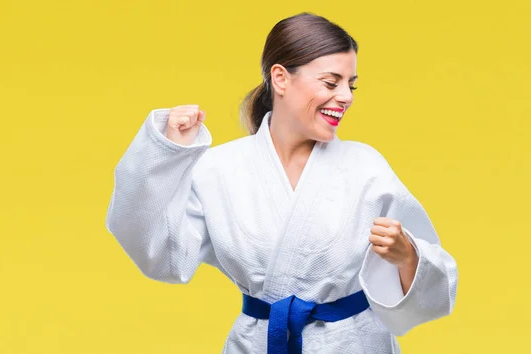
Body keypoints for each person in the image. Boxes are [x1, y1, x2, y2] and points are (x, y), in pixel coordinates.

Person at [105, 12, 458, 354]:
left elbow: (434, 284)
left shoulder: (365, 167)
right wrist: (168, 156)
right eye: (331, 82)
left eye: (351, 85)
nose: (347, 96)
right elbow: (161, 255)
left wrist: (408, 255)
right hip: (258, 344)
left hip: (353, 344)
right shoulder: (219, 169)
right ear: (281, 78)